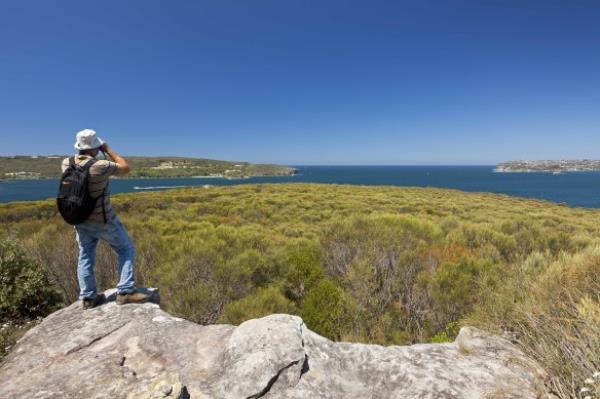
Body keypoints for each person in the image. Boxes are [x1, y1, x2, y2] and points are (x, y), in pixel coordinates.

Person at [62, 129, 150, 309]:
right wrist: (107, 148)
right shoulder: (101, 165)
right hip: (103, 220)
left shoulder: (66, 163)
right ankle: (125, 291)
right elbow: (125, 167)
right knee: (126, 248)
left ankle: (88, 297)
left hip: (79, 219)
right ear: (95, 146)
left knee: (85, 255)